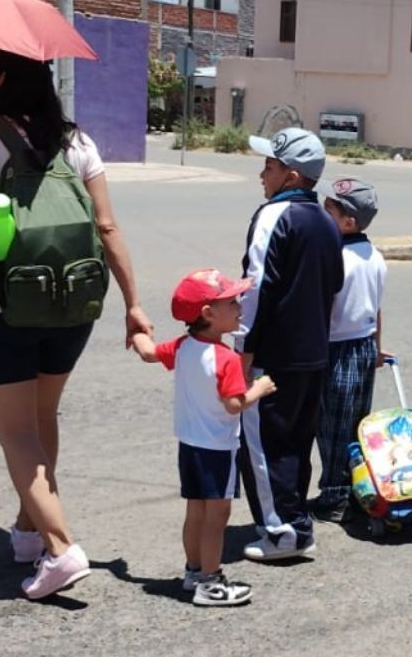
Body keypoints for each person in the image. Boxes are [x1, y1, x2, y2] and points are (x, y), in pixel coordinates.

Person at [0, 48, 151, 599]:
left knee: (15, 431)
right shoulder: (77, 141)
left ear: (4, 79)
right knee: (40, 417)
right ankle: (27, 529)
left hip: (5, 305)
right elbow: (107, 228)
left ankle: (61, 548)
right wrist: (134, 304)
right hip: (75, 305)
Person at [130, 269, 276, 606]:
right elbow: (234, 405)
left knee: (195, 513)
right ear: (208, 314)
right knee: (216, 518)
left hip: (190, 445)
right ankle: (211, 582)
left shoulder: (183, 346)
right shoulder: (225, 358)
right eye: (232, 302)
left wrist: (136, 332)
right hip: (218, 449)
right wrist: (260, 388)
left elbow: (150, 352)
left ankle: (194, 571)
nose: (240, 307)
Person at [235, 128, 344, 561]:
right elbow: (334, 285)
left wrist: (243, 350)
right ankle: (297, 523)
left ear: (292, 175)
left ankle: (281, 533)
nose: (263, 173)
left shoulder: (272, 216)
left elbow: (255, 287)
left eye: (270, 165)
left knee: (262, 443)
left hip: (273, 354)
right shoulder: (325, 221)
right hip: (314, 352)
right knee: (296, 442)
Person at [311, 177, 389, 525]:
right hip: (362, 348)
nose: (322, 212)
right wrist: (377, 349)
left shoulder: (338, 258)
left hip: (337, 349)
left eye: (329, 209)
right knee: (356, 423)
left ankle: (335, 496)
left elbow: (324, 308)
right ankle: (356, 488)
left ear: (348, 222)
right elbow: (378, 308)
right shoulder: (374, 256)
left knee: (331, 427)